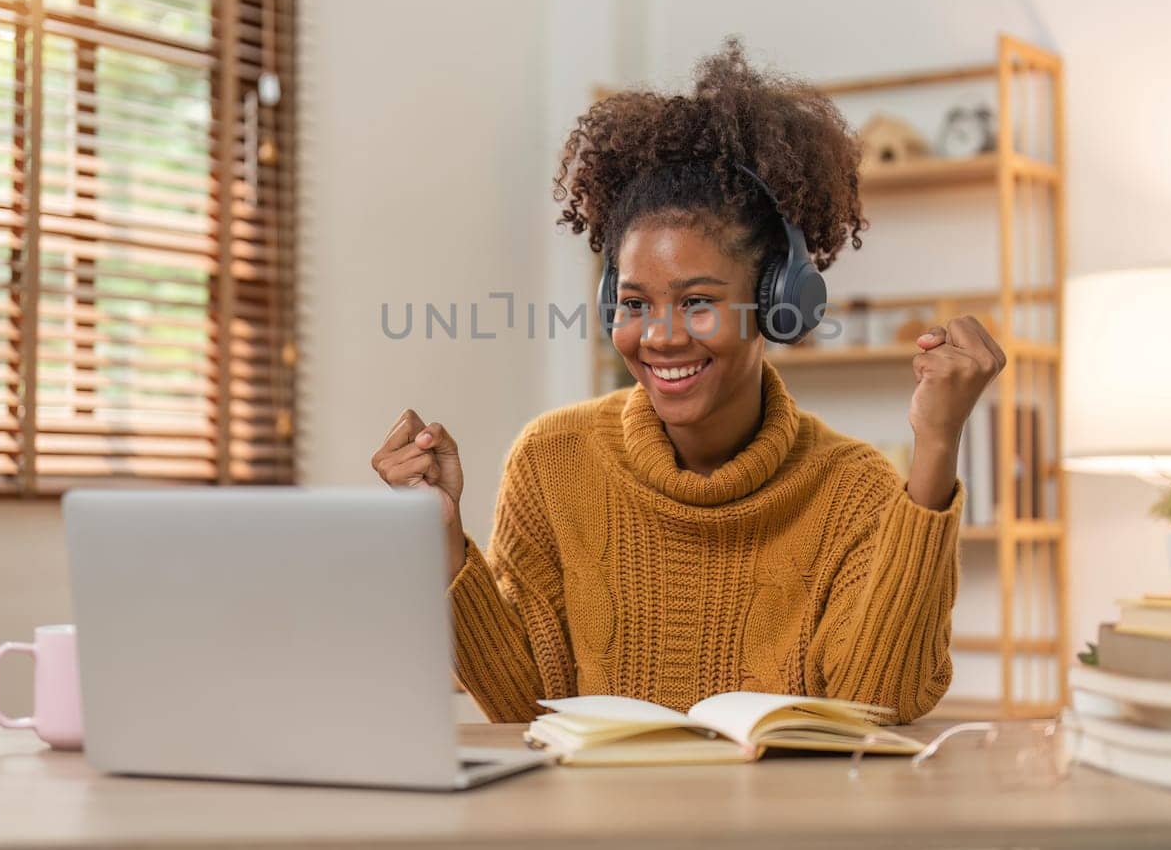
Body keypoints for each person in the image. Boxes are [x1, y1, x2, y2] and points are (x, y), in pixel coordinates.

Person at [370, 39, 1003, 724]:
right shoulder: (552, 462)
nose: (661, 336)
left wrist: (938, 446)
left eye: (698, 302)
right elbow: (525, 705)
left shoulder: (855, 490)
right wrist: (439, 537)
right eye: (636, 304)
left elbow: (878, 705)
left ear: (777, 303)